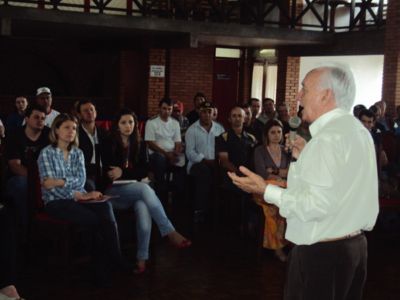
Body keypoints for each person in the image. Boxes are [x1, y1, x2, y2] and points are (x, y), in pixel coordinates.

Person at [228, 64, 379, 300]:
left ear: (325, 95)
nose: (298, 95)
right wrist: (307, 153)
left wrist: (265, 189)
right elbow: (340, 184)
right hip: (355, 249)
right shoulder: (357, 131)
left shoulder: (327, 140)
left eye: (304, 89)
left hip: (323, 253)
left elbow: (314, 204)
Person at [37, 113, 128, 286]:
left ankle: (114, 257)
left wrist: (61, 181)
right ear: (56, 130)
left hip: (78, 198)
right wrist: (75, 193)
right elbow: (49, 187)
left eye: (73, 128)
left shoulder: (78, 153)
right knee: (95, 220)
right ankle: (102, 268)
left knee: (105, 207)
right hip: (56, 203)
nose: (71, 131)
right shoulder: (47, 153)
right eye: (66, 127)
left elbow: (80, 180)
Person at [102, 108, 191, 273]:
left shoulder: (140, 143)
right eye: (123, 123)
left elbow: (144, 170)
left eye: (131, 122)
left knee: (143, 206)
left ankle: (141, 259)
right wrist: (126, 173)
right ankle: (169, 230)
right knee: (144, 188)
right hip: (113, 193)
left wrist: (123, 172)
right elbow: (110, 173)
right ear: (116, 126)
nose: (128, 126)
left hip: (134, 190)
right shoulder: (108, 143)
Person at [5, 104, 50, 228]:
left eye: (42, 118)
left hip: (44, 176)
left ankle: (46, 225)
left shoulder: (48, 134)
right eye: (36, 117)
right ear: (26, 119)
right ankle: (25, 227)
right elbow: (15, 166)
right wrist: (36, 180)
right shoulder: (15, 135)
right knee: (22, 184)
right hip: (19, 177)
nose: (40, 121)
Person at [253, 119, 289, 262]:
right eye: (272, 132)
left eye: (279, 132)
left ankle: (290, 242)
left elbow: (291, 172)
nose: (276, 135)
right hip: (263, 188)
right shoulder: (259, 150)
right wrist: (280, 175)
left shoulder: (286, 150)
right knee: (274, 208)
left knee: (292, 205)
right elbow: (262, 173)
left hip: (284, 188)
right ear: (266, 134)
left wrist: (274, 171)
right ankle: (277, 248)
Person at [185, 101, 224, 223]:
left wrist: (217, 161)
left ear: (213, 113)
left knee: (223, 174)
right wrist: (205, 160)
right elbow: (190, 153)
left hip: (216, 163)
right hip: (197, 164)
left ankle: (218, 210)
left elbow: (223, 148)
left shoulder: (220, 128)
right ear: (199, 112)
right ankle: (200, 210)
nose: (206, 115)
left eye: (209, 112)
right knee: (205, 173)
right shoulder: (192, 130)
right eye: (204, 112)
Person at [145, 98, 184, 202]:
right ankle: (161, 194)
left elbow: (178, 142)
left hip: (171, 153)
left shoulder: (175, 123)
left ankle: (177, 196)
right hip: (157, 154)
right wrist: (167, 154)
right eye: (164, 108)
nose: (167, 111)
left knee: (184, 160)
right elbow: (150, 143)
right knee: (160, 159)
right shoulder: (151, 122)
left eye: (169, 109)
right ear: (159, 108)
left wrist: (176, 152)